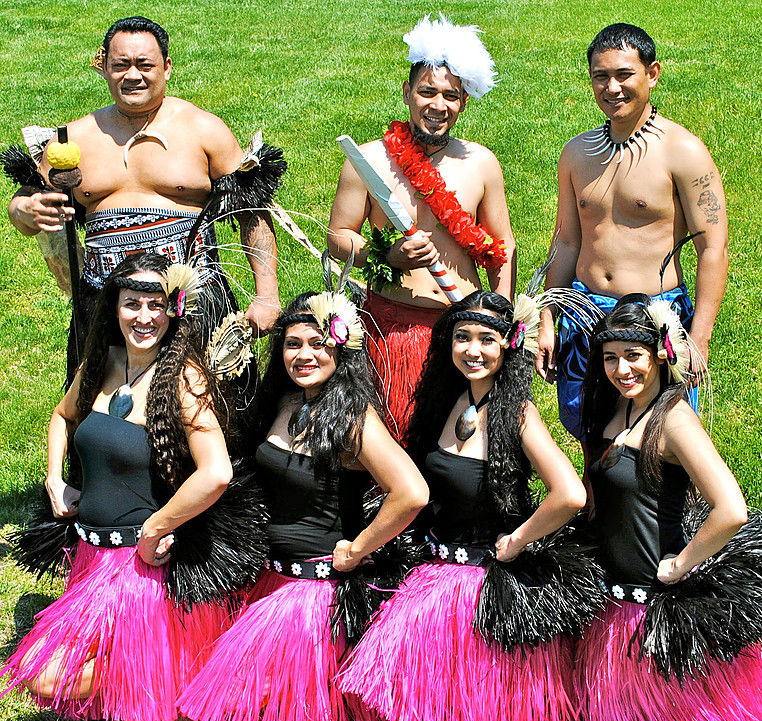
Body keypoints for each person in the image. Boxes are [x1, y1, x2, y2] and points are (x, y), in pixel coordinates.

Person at [338, 290, 603, 721]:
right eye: (462, 338)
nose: (473, 350)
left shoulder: (517, 413)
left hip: (490, 579)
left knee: (487, 710)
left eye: (487, 339)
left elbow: (570, 494)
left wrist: (518, 539)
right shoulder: (444, 401)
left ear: (509, 344)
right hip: (436, 567)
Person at [0, 253, 252, 721]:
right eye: (131, 303)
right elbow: (61, 415)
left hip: (140, 566)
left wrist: (157, 528)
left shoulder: (183, 377)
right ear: (114, 308)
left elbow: (216, 472)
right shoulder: (104, 363)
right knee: (40, 671)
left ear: (173, 309)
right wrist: (55, 478)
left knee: (48, 679)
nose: (143, 316)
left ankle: (184, 683)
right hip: (90, 556)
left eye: (155, 305)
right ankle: (172, 680)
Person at [178, 287, 429, 721]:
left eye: (318, 343)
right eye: (293, 344)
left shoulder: (354, 416)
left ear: (342, 346)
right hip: (266, 578)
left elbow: (411, 493)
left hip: (313, 592)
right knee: (236, 710)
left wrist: (358, 549)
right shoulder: (282, 401)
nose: (304, 354)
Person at [6, 16, 283, 377]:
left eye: (145, 65)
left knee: (206, 419)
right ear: (102, 65)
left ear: (167, 68)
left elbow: (252, 212)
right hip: (108, 307)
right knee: (103, 419)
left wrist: (266, 294)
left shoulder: (203, 129)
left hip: (193, 303)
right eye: (121, 65)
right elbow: (23, 208)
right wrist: (26, 208)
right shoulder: (74, 139)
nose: (132, 75)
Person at [575, 296, 762, 721]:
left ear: (661, 353)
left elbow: (731, 508)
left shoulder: (674, 419)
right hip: (613, 603)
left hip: (653, 606)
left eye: (633, 356)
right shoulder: (613, 410)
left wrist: (680, 563)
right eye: (610, 357)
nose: (622, 369)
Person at [328, 14, 516, 439]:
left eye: (451, 95)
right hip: (391, 325)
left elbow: (502, 245)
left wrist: (499, 316)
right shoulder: (369, 161)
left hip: (464, 328)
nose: (438, 105)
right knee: (392, 438)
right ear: (407, 93)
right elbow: (338, 238)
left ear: (464, 101)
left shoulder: (480, 163)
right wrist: (388, 255)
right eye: (427, 91)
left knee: (460, 444)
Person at [536, 23, 728, 440]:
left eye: (624, 74)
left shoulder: (683, 151)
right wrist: (548, 316)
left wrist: (700, 337)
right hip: (583, 311)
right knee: (587, 423)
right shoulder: (576, 153)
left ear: (652, 73)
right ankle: (594, 505)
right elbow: (567, 241)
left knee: (659, 435)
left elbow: (712, 248)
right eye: (600, 77)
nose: (612, 88)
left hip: (652, 315)